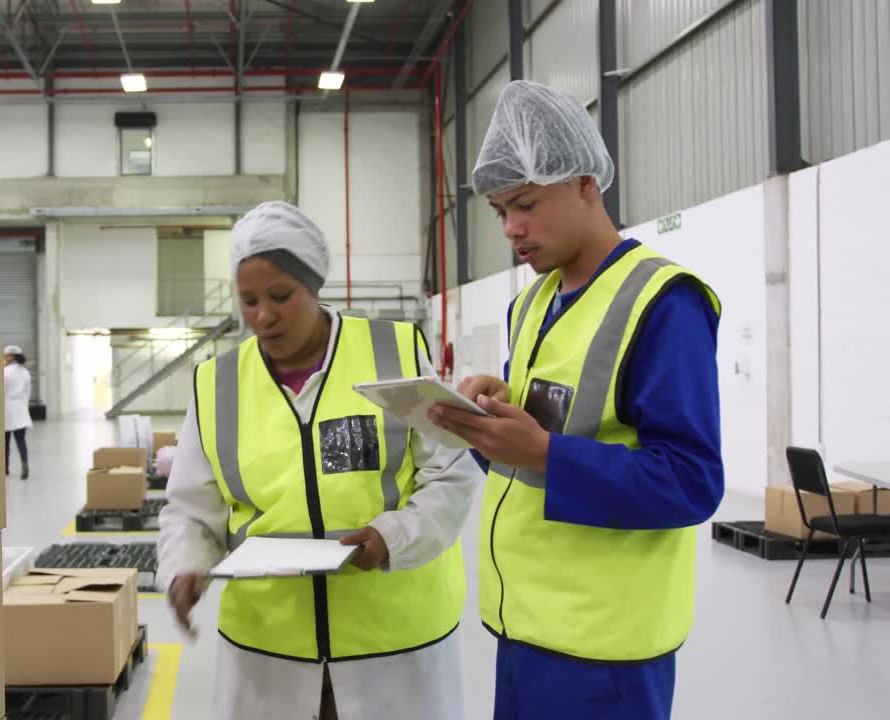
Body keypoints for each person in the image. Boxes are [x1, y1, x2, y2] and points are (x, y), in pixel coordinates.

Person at [428, 80, 725, 720]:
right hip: (525, 627)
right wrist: (487, 422)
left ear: (586, 183)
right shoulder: (532, 303)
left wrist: (543, 453)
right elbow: (538, 450)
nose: (512, 227)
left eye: (527, 204)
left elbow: (693, 481)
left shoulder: (664, 302)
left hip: (605, 648)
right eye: (500, 211)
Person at [157, 201, 486, 720]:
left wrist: (394, 537)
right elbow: (190, 509)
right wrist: (185, 567)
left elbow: (452, 473)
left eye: (281, 296)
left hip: (394, 644)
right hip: (270, 651)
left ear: (313, 286)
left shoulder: (392, 352)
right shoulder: (217, 383)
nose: (263, 315)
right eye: (248, 301)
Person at [3, 345, 32, 480]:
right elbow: (27, 392)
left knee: (5, 441)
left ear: (10, 356)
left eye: (5, 355)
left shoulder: (5, 372)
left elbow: (1, 392)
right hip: (21, 410)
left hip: (7, 409)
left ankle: (5, 468)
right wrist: (23, 406)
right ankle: (24, 463)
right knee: (21, 440)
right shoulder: (25, 372)